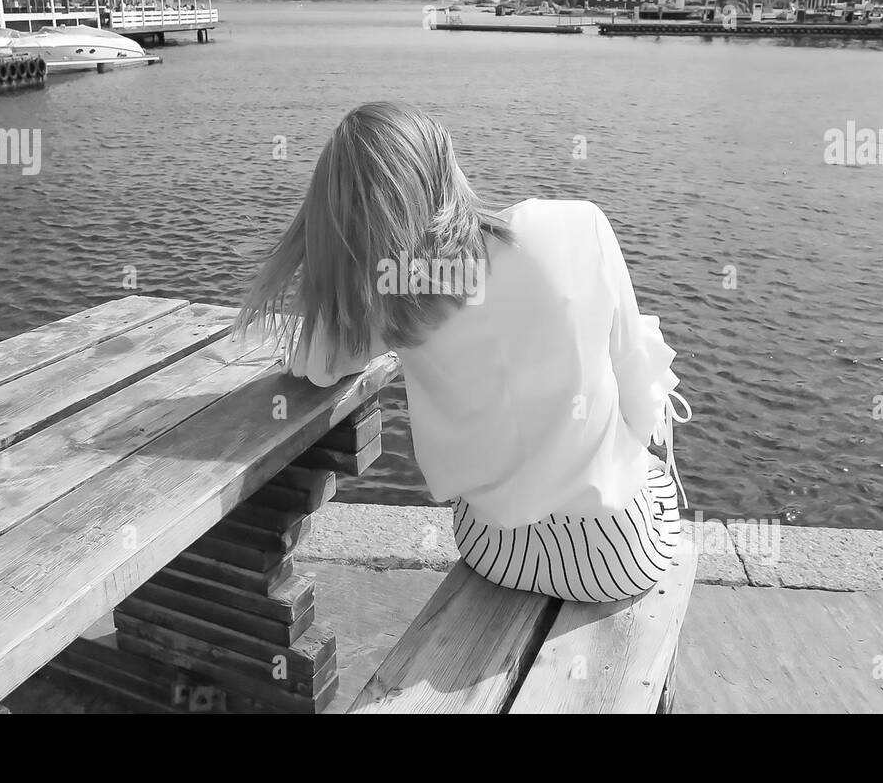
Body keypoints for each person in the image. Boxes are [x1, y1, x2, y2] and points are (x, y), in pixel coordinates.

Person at [235, 101, 690, 602]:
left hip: (493, 551)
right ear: (446, 162)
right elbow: (637, 391)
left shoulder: (399, 294)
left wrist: (347, 269)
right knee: (646, 434)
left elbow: (315, 366)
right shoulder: (575, 224)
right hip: (617, 558)